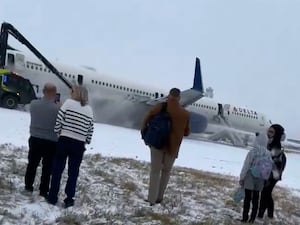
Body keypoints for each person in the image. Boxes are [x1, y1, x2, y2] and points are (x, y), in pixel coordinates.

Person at [141, 88, 190, 206]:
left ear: (169, 96)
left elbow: (147, 117)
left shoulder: (161, 107)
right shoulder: (185, 114)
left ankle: (151, 199)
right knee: (166, 172)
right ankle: (159, 198)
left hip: (157, 143)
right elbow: (187, 132)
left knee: (155, 171)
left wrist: (144, 131)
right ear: (179, 98)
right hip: (173, 148)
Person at [47, 84, 94, 208]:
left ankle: (52, 197)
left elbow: (59, 121)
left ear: (76, 93)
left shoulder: (68, 103)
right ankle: (69, 199)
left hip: (64, 140)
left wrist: (59, 133)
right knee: (73, 173)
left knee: (57, 170)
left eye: (72, 91)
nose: (70, 93)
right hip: (79, 145)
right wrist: (86, 140)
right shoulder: (89, 110)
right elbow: (90, 129)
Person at [24, 83, 59, 197]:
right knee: (47, 167)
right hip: (51, 141)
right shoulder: (58, 108)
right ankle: (43, 190)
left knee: (32, 164)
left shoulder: (33, 104)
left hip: (35, 138)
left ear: (43, 92)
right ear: (54, 93)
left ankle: (28, 186)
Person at [239, 132, 271, 223]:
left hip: (250, 176)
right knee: (256, 199)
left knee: (247, 198)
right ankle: (252, 219)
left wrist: (242, 177)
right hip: (261, 178)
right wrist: (266, 179)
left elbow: (246, 165)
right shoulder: (268, 153)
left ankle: (245, 218)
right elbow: (269, 167)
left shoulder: (253, 151)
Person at [258, 124, 287, 220]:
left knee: (265, 193)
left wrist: (268, 177)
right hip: (268, 171)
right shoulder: (269, 143)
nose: (268, 133)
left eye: (271, 132)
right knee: (267, 193)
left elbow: (271, 160)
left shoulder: (276, 146)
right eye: (268, 131)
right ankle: (270, 214)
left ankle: (260, 215)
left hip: (274, 173)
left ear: (277, 134)